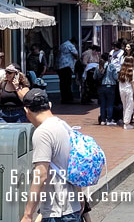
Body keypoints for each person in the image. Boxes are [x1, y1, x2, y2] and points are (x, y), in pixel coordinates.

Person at [20, 89, 84, 222]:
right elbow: (74, 165)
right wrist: (80, 196)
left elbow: (41, 175)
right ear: (49, 105)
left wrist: (28, 214)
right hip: (72, 206)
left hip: (57, 212)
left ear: (27, 111)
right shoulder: (64, 126)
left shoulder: (42, 133)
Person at [94, 52, 118, 126]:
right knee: (110, 104)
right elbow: (115, 77)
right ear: (108, 58)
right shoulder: (111, 66)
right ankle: (109, 120)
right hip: (110, 86)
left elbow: (94, 77)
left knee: (102, 104)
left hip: (101, 87)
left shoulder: (98, 66)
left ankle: (103, 120)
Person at [57, 38, 78, 103]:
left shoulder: (62, 44)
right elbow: (76, 54)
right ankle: (68, 98)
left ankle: (64, 98)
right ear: (74, 42)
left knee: (62, 83)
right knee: (67, 83)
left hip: (60, 66)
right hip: (67, 66)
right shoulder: (71, 45)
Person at [118, 56, 134, 130]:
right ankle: (126, 123)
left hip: (122, 90)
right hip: (129, 90)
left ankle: (125, 122)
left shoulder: (121, 70)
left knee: (125, 106)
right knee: (130, 106)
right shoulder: (131, 71)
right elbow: (132, 83)